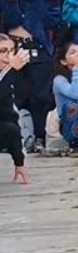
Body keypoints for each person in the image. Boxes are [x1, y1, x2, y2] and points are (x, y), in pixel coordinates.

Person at [4, 0, 61, 154]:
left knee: (41, 97)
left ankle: (39, 136)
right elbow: (9, 22)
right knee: (18, 96)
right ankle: (17, 139)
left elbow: (53, 22)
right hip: (17, 50)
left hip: (40, 50)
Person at [0, 35, 31, 184]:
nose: (9, 55)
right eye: (3, 51)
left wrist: (19, 162)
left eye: (12, 50)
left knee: (10, 127)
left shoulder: (12, 74)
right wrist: (11, 69)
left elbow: (11, 116)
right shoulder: (10, 73)